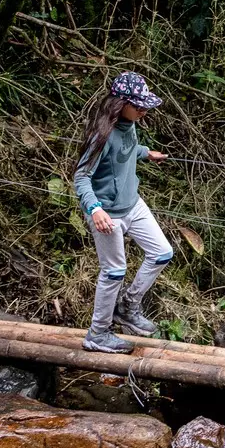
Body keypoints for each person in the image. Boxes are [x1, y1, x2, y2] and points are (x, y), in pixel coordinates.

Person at [73, 71, 174, 352]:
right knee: (114, 271)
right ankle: (98, 333)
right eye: (138, 105)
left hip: (133, 204)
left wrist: (145, 152)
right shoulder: (101, 135)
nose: (144, 110)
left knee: (162, 252)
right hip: (107, 213)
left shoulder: (129, 124)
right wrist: (94, 209)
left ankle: (128, 307)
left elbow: (126, 148)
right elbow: (81, 177)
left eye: (145, 105)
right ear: (120, 104)